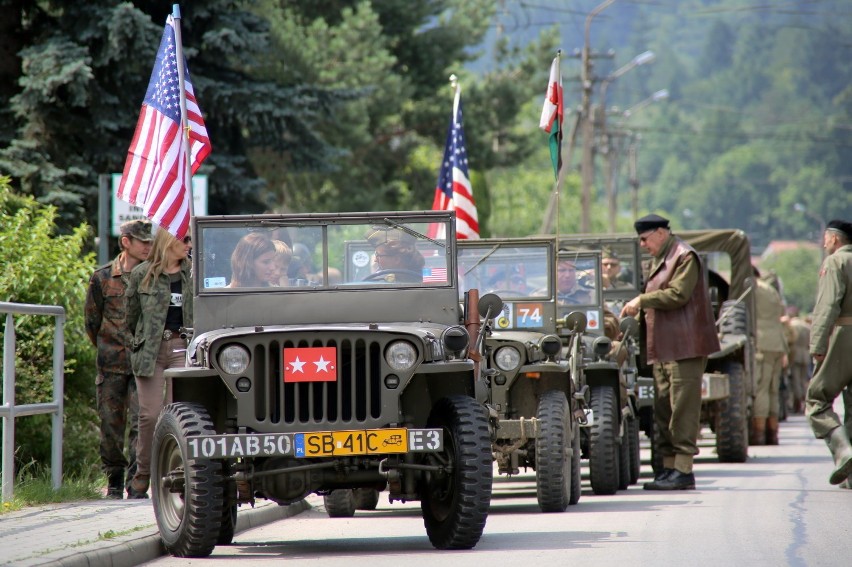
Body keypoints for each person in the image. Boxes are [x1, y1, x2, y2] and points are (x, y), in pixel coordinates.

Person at [620, 214, 720, 490]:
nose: (642, 245)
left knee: (683, 410)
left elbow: (678, 294)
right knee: (664, 409)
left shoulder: (684, 256)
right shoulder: (661, 257)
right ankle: (667, 470)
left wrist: (641, 300)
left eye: (644, 239)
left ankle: (683, 471)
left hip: (685, 347)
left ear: (661, 233)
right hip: (663, 347)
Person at [84, 219, 152, 498]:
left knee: (142, 422)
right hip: (111, 364)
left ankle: (136, 484)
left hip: (143, 364)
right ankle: (113, 479)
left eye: (150, 242)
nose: (148, 247)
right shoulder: (101, 278)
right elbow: (92, 322)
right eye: (143, 241)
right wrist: (109, 347)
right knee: (111, 427)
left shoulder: (153, 276)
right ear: (126, 242)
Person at [125, 229, 193, 498]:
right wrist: (143, 339)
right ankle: (143, 472)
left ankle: (175, 473)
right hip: (151, 351)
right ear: (169, 240)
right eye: (185, 239)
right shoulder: (143, 274)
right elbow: (131, 316)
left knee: (178, 414)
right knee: (149, 415)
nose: (189, 245)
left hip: (182, 347)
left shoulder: (193, 274)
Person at [805, 219, 852, 486]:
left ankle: (843, 450)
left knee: (817, 400)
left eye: (825, 238)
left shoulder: (835, 262)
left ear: (834, 240)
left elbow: (827, 306)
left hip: (844, 335)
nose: (824, 243)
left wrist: (818, 346)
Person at [752, 266, 789, 445]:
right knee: (774, 389)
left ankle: (759, 434)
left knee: (761, 389)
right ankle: (772, 434)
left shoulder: (753, 288)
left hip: (762, 342)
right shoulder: (772, 291)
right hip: (777, 343)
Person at [786, 307, 812, 414]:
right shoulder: (806, 326)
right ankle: (806, 403)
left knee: (795, 381)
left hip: (794, 354)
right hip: (805, 355)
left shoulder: (791, 325)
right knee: (804, 380)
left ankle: (797, 403)